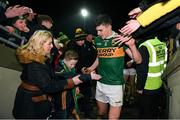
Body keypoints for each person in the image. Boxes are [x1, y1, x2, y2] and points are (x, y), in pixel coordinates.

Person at [12, 30, 84, 119]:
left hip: (35, 102)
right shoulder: (34, 64)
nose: (52, 46)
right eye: (49, 43)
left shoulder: (41, 59)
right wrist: (71, 81)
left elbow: (52, 76)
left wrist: (71, 77)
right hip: (29, 107)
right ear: (40, 43)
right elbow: (49, 86)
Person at [87, 14, 142, 119]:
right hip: (100, 83)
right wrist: (91, 68)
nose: (98, 33)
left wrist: (132, 45)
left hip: (115, 86)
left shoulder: (120, 39)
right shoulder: (98, 40)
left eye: (100, 30)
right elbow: (100, 57)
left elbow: (138, 60)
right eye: (97, 30)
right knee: (101, 113)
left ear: (109, 26)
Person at [52, 50, 101, 119]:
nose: (73, 66)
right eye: (71, 64)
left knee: (70, 113)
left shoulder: (71, 67)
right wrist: (89, 76)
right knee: (63, 115)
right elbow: (70, 76)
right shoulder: (58, 69)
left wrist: (76, 86)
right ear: (65, 60)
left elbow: (74, 77)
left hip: (70, 98)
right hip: (61, 101)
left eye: (75, 64)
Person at [136, 37, 167, 118]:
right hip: (159, 84)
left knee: (145, 114)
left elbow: (142, 69)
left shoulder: (145, 46)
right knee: (154, 111)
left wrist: (139, 87)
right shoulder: (161, 44)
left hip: (147, 86)